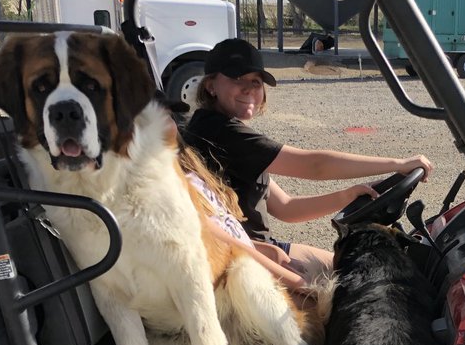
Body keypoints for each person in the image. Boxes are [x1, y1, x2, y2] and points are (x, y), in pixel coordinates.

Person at [183, 38, 432, 283]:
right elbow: (315, 166)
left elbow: (286, 207)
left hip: (257, 249)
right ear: (211, 86)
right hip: (243, 260)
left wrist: (348, 195)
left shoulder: (217, 129)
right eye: (238, 79)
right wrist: (398, 164)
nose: (249, 89)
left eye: (256, 82)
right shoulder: (219, 131)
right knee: (361, 282)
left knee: (352, 271)